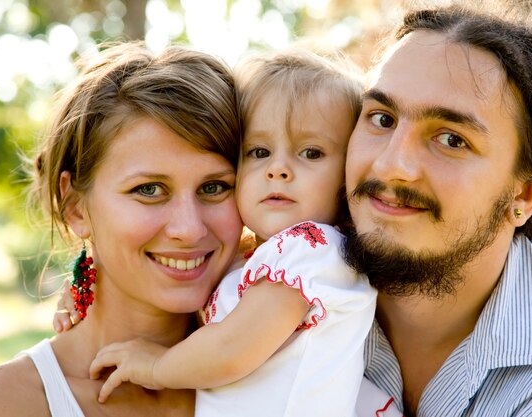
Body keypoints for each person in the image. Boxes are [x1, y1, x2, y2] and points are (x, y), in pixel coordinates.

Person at [86, 49, 402, 417]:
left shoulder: (313, 251)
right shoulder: (262, 255)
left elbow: (231, 350)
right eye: (259, 151)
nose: (278, 169)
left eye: (311, 153)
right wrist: (89, 286)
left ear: (349, 170)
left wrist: (157, 368)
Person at [0, 42, 245, 416]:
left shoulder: (285, 366)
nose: (189, 230)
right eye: (148, 190)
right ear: (76, 207)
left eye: (214, 187)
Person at [343, 5, 532, 417]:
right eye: (382, 119)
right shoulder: (278, 282)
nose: (390, 165)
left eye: (452, 139)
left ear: (527, 193)